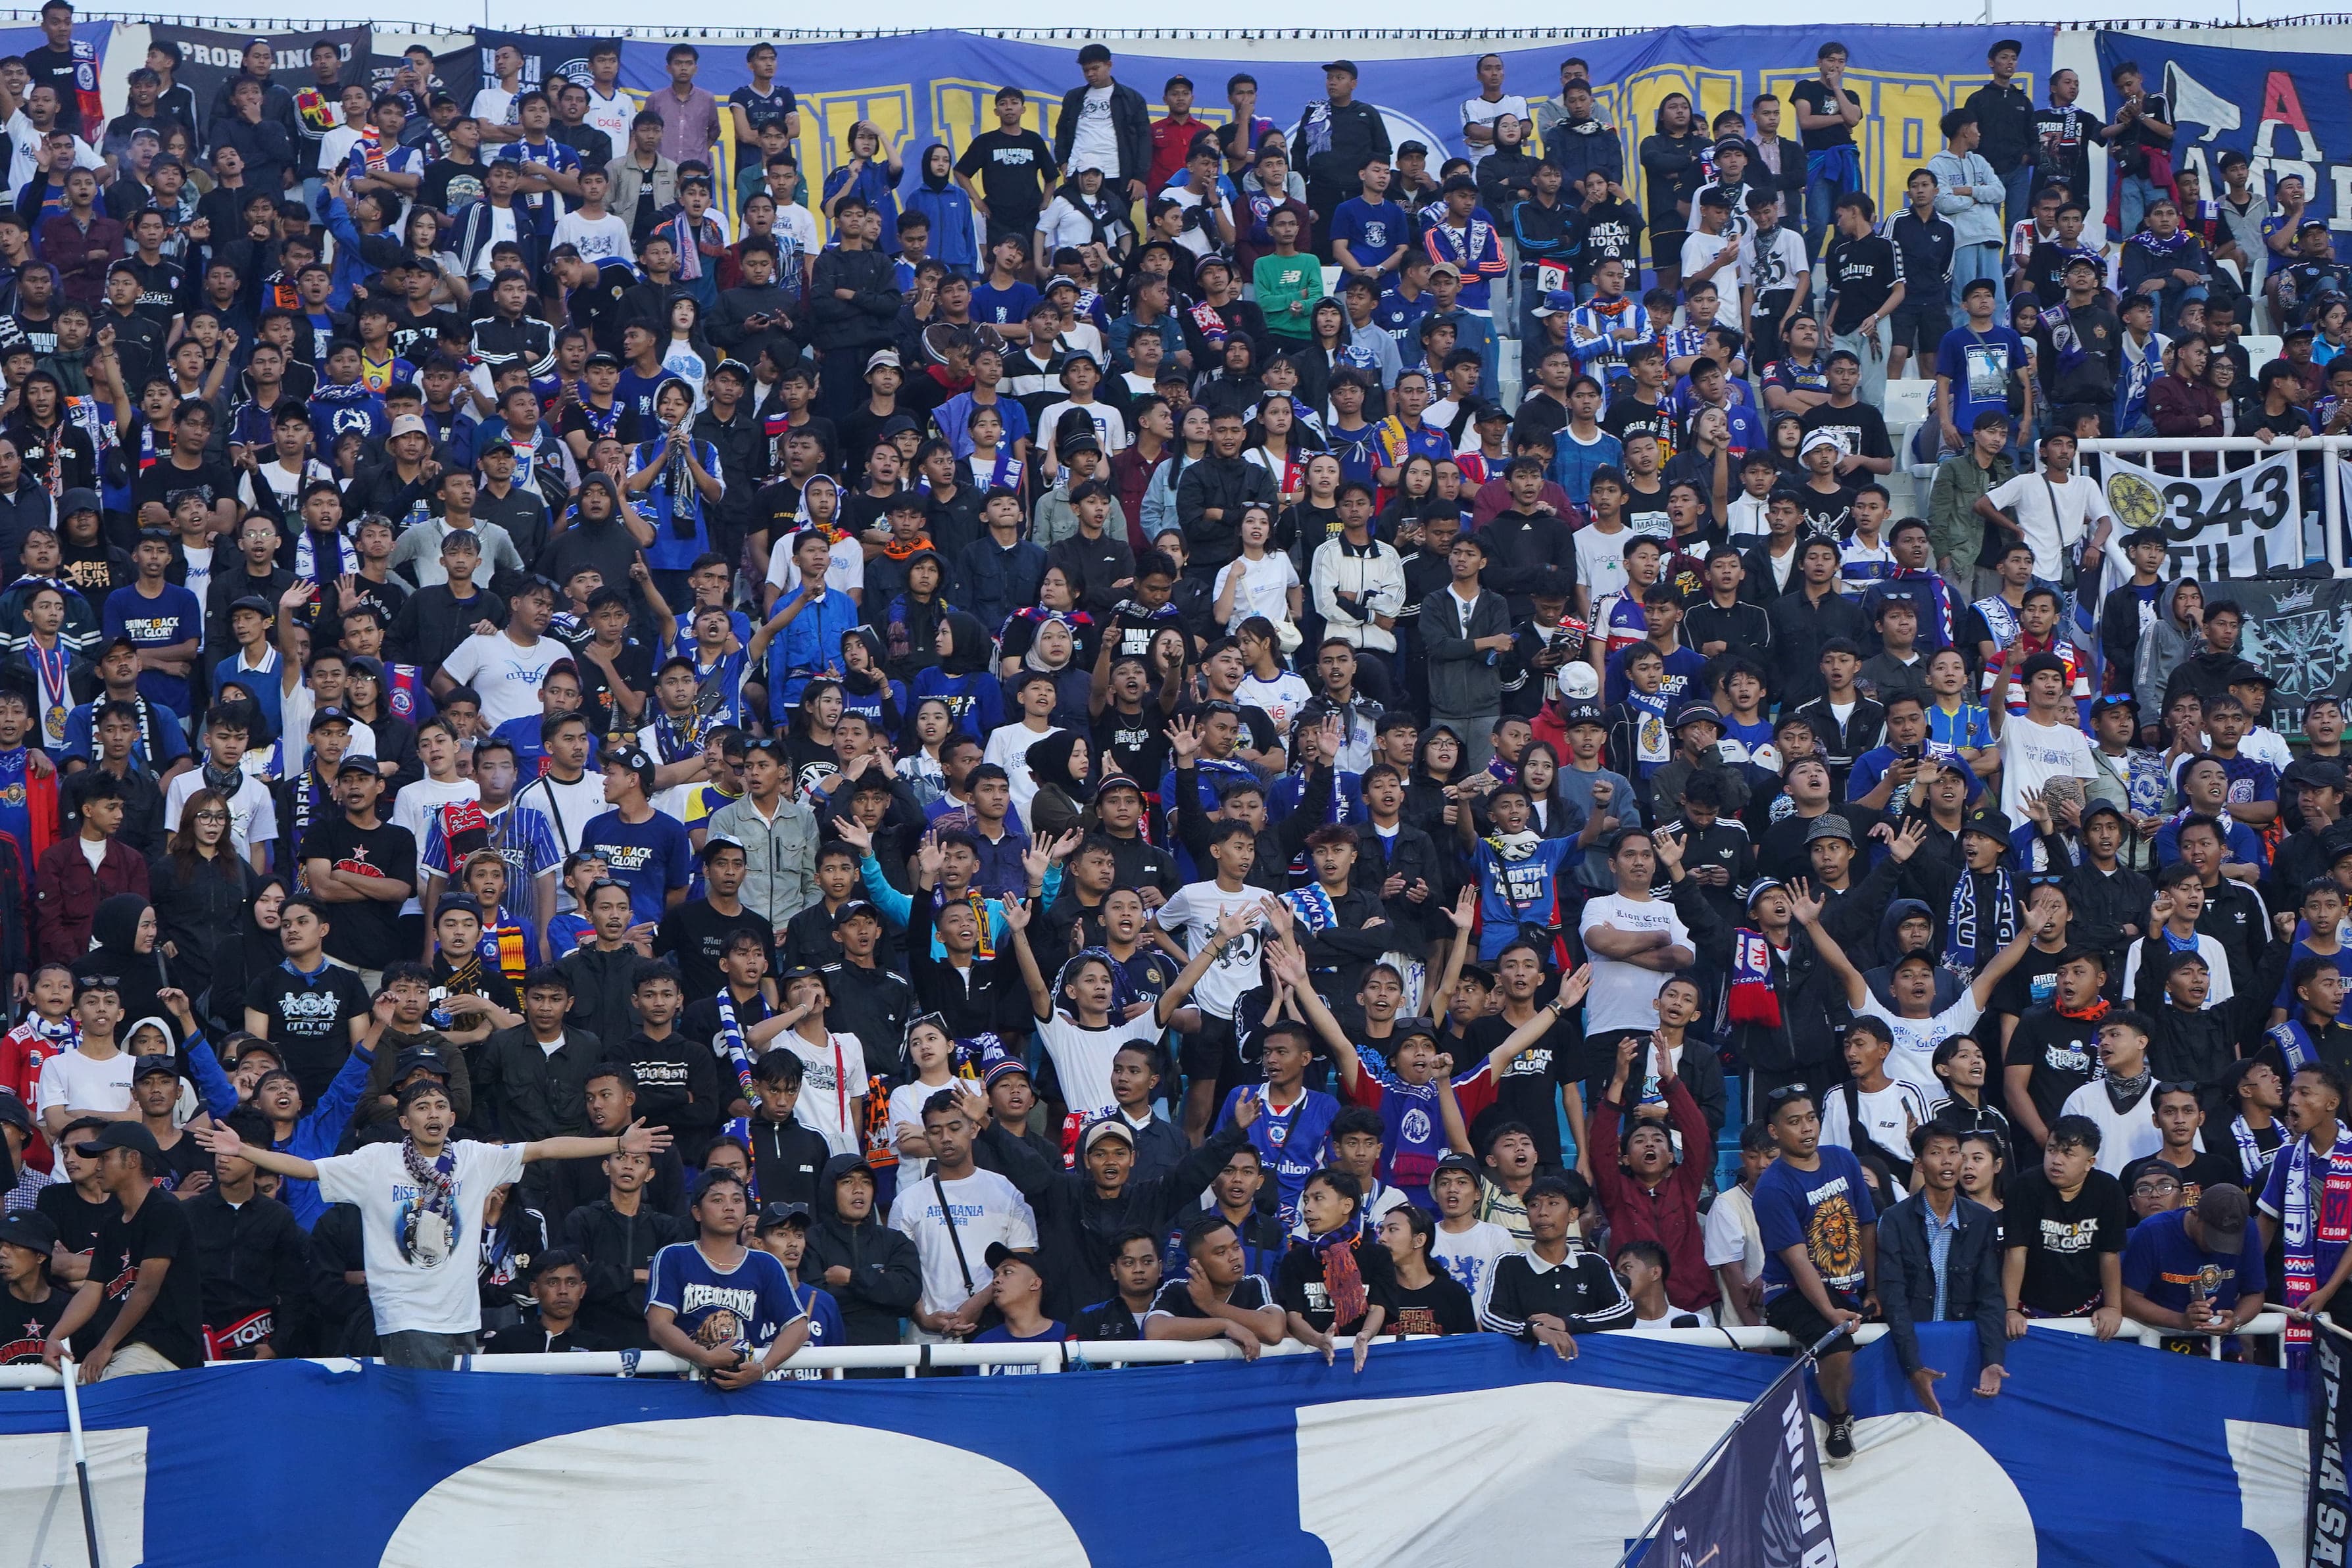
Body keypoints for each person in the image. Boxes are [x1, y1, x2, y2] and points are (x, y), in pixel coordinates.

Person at [193, 1076, 673, 1369]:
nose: (433, 1113)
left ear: (452, 1116)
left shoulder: (473, 1158)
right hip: (404, 1313)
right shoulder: (376, 1161)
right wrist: (246, 1152)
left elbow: (547, 1147)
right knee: (429, 1414)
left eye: (441, 1106)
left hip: (461, 1316)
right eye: (422, 1107)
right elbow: (309, 1169)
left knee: (443, 1414)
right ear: (404, 1121)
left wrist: (617, 1145)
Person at [1753, 1085, 1876, 1466]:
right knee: (1836, 1345)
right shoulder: (1773, 1187)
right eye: (1794, 1122)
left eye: (1811, 1118)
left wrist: (1875, 1287)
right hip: (1792, 1291)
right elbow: (1798, 1261)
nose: (1807, 1128)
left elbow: (1867, 1225)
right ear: (1774, 1132)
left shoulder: (1843, 1160)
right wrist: (1829, 1312)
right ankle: (1839, 1417)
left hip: (1850, 1284)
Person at [1876, 1121, 2009, 1415]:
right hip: (1909, 1350)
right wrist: (1913, 1365)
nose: (1947, 1161)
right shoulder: (1895, 1220)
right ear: (1919, 1164)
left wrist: (1992, 1359)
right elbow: (1893, 1297)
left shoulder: (1981, 1220)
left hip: (1961, 1349)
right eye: (1936, 1153)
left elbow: (1990, 1294)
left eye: (1954, 1152)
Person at [1481, 1171, 1634, 1357]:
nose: (1543, 1212)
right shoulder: (1507, 1264)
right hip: (1524, 1379)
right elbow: (1490, 1316)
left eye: (1553, 1203)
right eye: (1534, 1205)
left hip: (1586, 1377)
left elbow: (1624, 1311)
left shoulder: (1593, 1264)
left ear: (1573, 1214)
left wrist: (1567, 1323)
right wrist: (1534, 1329)